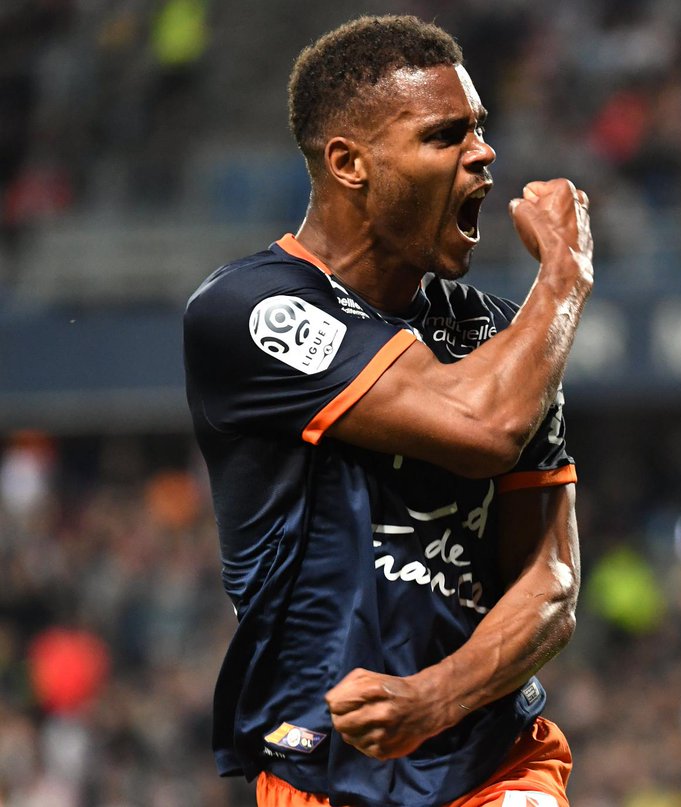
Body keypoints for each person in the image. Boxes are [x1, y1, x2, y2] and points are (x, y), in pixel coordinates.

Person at [183, 14, 593, 807]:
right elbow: (484, 428)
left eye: (479, 128)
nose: (483, 153)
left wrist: (435, 696)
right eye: (445, 135)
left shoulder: (505, 339)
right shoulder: (253, 310)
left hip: (494, 765)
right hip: (316, 767)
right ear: (350, 163)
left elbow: (550, 581)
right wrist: (564, 276)